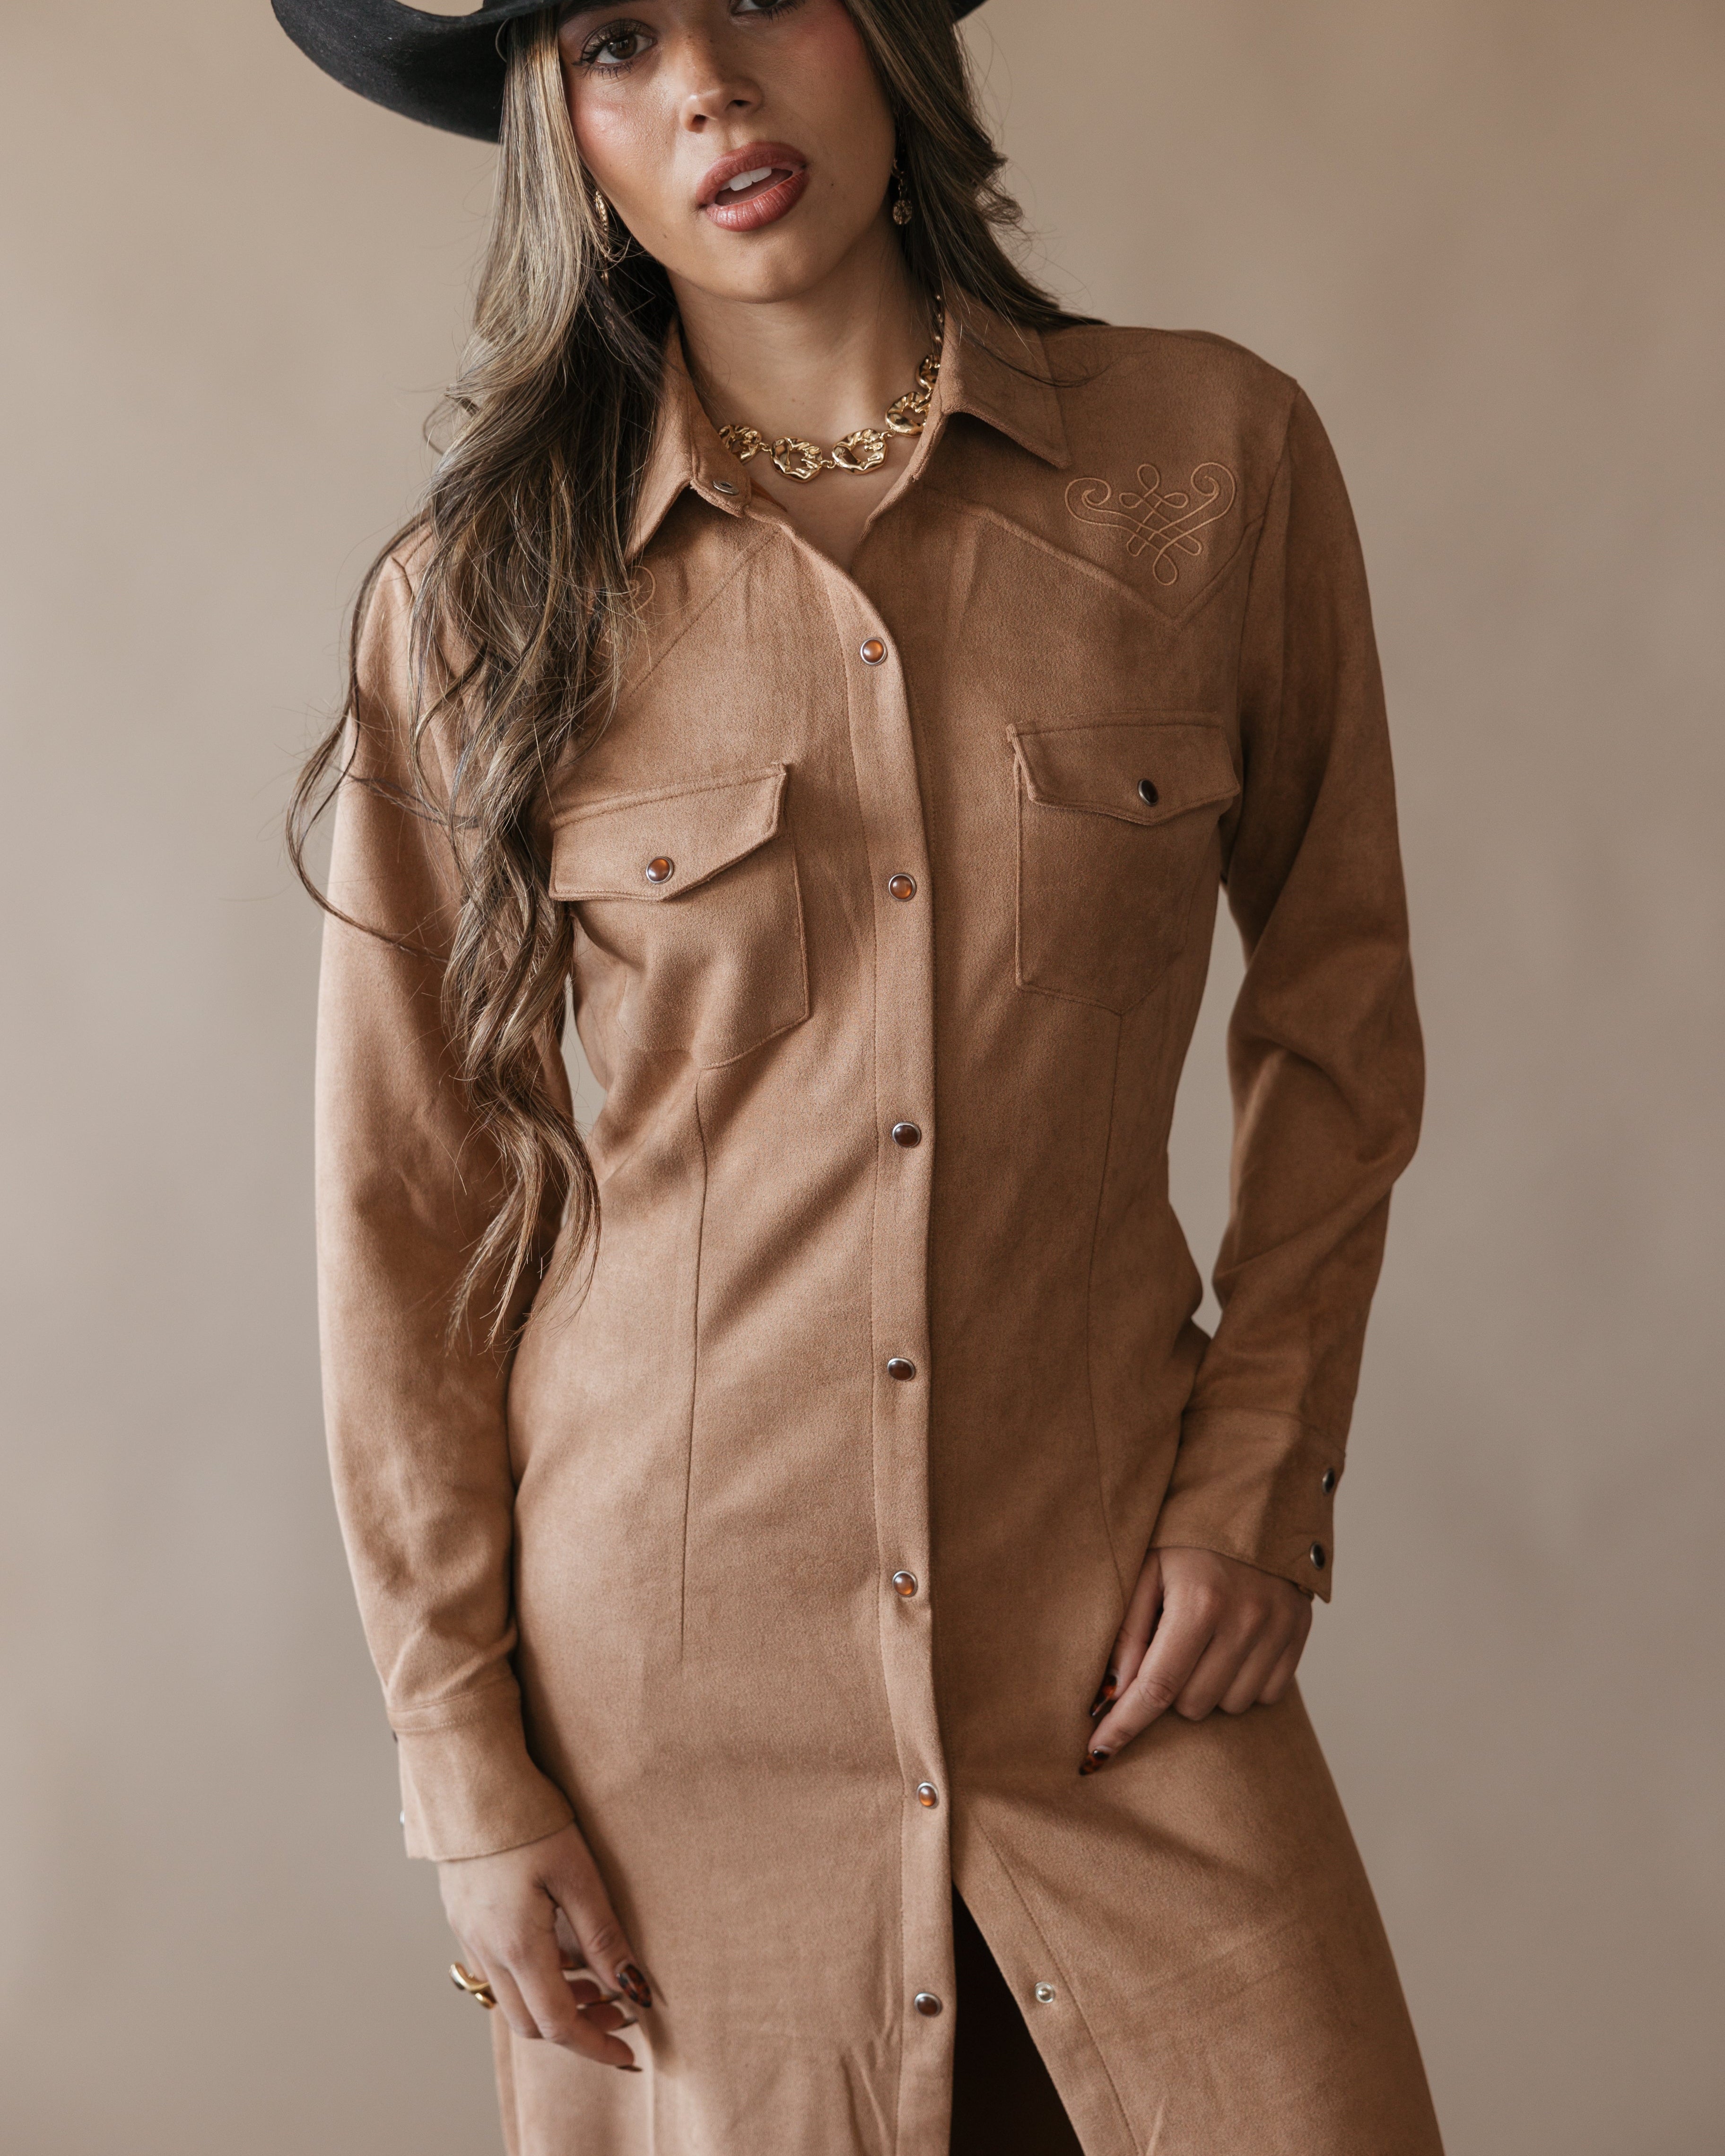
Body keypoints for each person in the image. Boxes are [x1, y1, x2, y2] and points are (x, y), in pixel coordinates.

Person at [277, 1, 1444, 2150]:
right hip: (670, 1705)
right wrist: (465, 1766)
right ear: (568, 136)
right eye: (621, 41)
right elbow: (403, 1211)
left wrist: (1264, 1474)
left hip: (1117, 1653)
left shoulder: (1210, 463)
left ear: (888, 32)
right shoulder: (475, 604)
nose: (710, 83)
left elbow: (1341, 1008)